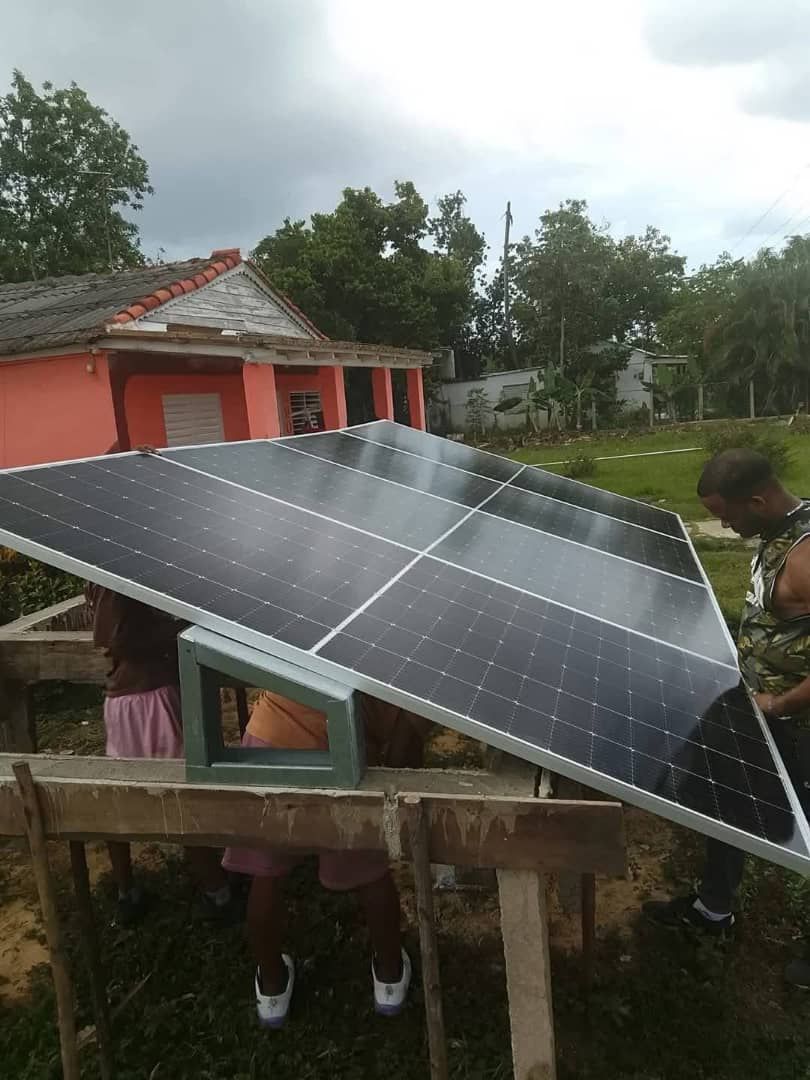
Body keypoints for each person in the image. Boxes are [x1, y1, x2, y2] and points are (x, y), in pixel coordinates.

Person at [643, 448, 810, 984]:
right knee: (727, 798)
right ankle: (714, 909)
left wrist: (780, 704)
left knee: (804, 826)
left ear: (756, 501)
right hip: (758, 707)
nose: (723, 525)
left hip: (796, 724)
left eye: (726, 514)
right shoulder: (781, 531)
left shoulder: (806, 558)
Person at [223, 688, 431, 1028]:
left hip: (268, 743)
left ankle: (272, 989)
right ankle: (390, 979)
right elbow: (403, 760)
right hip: (342, 755)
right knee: (371, 874)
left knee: (267, 874)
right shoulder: (422, 675)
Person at [86, 584, 238, 925]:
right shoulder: (115, 582)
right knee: (180, 795)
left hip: (132, 699)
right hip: (146, 701)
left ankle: (128, 891)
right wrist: (178, 629)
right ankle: (217, 892)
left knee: (126, 796)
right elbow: (120, 639)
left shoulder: (107, 575)